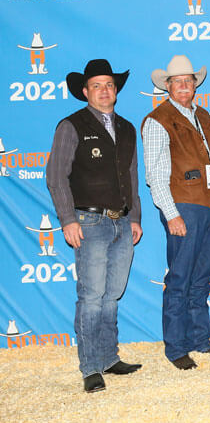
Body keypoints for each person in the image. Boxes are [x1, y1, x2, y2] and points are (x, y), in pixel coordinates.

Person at [45, 59, 143, 393]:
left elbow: (131, 177)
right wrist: (68, 219)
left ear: (116, 90)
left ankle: (108, 357)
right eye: (97, 86)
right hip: (88, 221)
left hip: (121, 221)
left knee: (111, 294)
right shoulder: (70, 126)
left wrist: (136, 218)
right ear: (85, 91)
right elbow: (56, 176)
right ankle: (90, 367)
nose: (104, 91)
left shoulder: (128, 128)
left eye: (109, 85)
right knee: (91, 296)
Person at [142, 55, 210, 370]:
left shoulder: (204, 116)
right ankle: (176, 347)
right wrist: (171, 213)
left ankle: (200, 341)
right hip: (183, 206)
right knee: (180, 278)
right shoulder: (158, 120)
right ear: (167, 86)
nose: (184, 86)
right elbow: (154, 173)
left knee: (202, 278)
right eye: (177, 81)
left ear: (195, 85)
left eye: (188, 81)